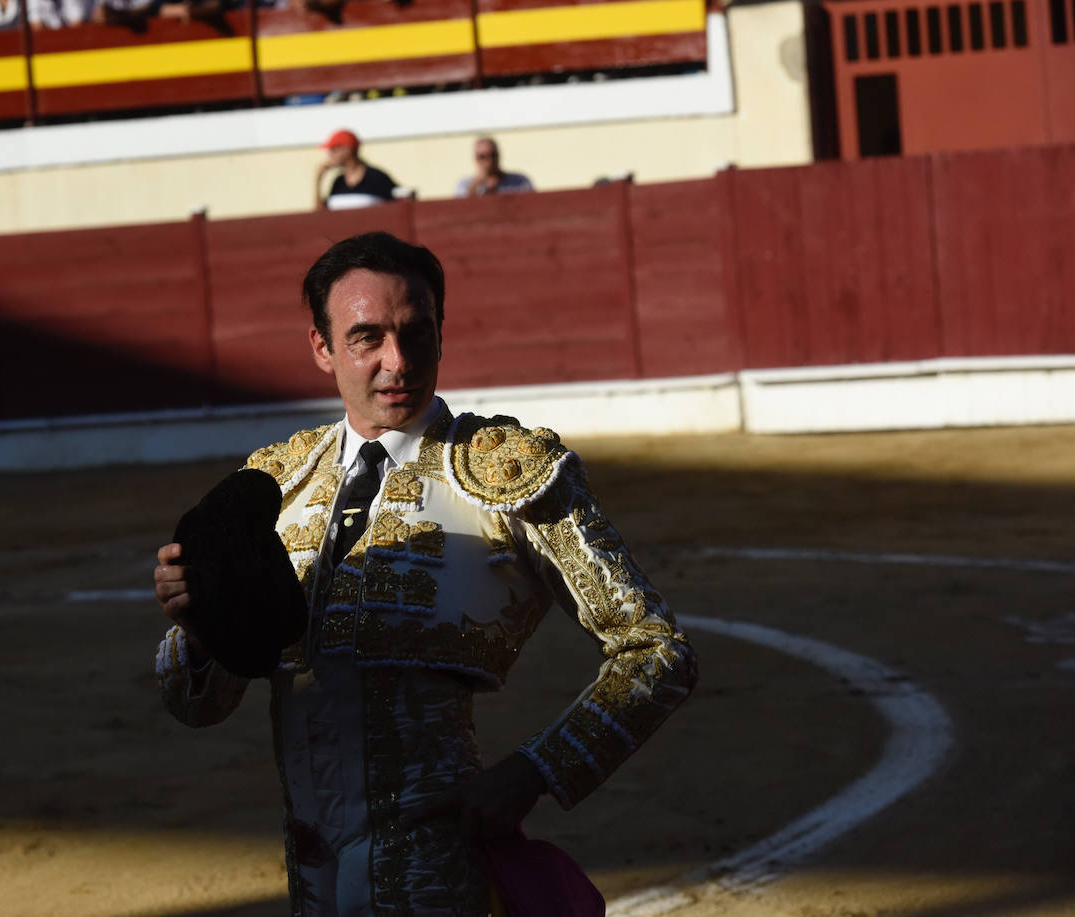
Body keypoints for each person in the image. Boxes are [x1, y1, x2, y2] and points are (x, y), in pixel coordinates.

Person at [153, 232, 697, 915]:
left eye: (417, 333)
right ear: (322, 348)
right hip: (313, 879)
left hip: (436, 875)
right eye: (366, 337)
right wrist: (197, 628)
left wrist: (534, 771)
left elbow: (657, 651)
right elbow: (196, 703)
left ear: (442, 333)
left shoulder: (506, 471)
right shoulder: (278, 485)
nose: (397, 361)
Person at [315, 129, 399, 211]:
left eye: (334, 149)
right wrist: (318, 180)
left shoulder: (376, 177)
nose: (330, 154)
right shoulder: (338, 182)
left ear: (347, 149)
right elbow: (322, 215)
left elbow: (401, 203)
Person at [454, 137, 533, 198]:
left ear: (499, 156)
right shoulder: (464, 185)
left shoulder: (519, 182)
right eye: (482, 157)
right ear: (475, 158)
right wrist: (475, 185)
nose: (489, 160)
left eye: (492, 155)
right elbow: (459, 210)